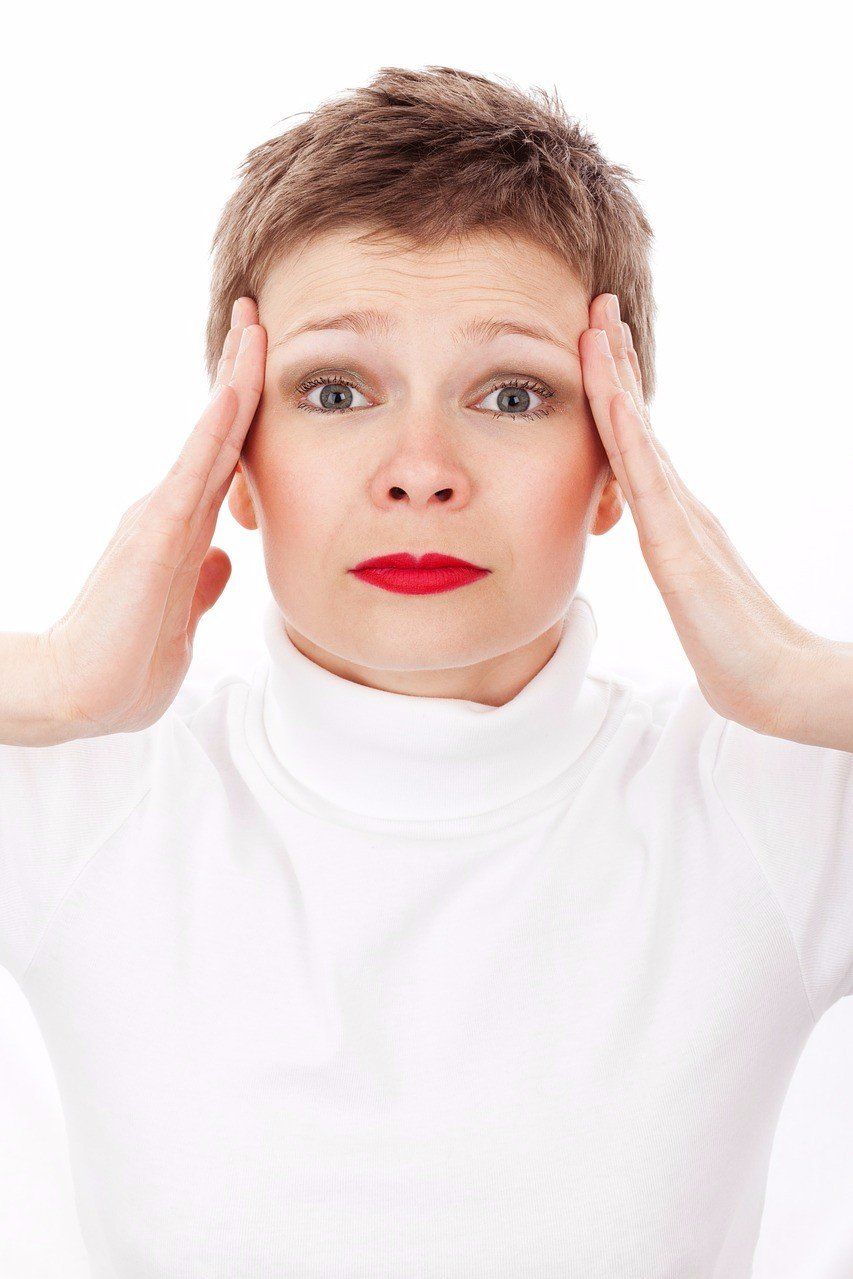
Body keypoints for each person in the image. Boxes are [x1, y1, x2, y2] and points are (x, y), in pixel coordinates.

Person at [1, 63, 851, 1279]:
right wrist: (36, 686)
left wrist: (805, 684)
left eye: (510, 393)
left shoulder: (776, 804)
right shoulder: (80, 795)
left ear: (617, 463)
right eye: (335, 389)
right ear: (234, 458)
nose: (419, 469)